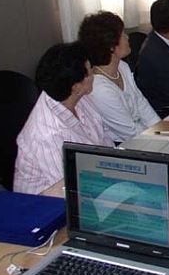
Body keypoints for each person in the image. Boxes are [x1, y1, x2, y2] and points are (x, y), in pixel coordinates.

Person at [14, 43, 114, 194]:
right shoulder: (47, 134)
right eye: (90, 71)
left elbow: (103, 137)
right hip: (49, 202)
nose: (94, 72)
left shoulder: (77, 96)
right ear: (76, 87)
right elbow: (73, 187)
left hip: (94, 177)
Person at [78, 11, 160, 143]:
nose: (127, 37)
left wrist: (161, 129)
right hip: (124, 145)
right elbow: (129, 132)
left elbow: (141, 103)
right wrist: (160, 139)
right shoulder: (100, 89)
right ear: (111, 46)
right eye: (123, 35)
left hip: (144, 134)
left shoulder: (123, 67)